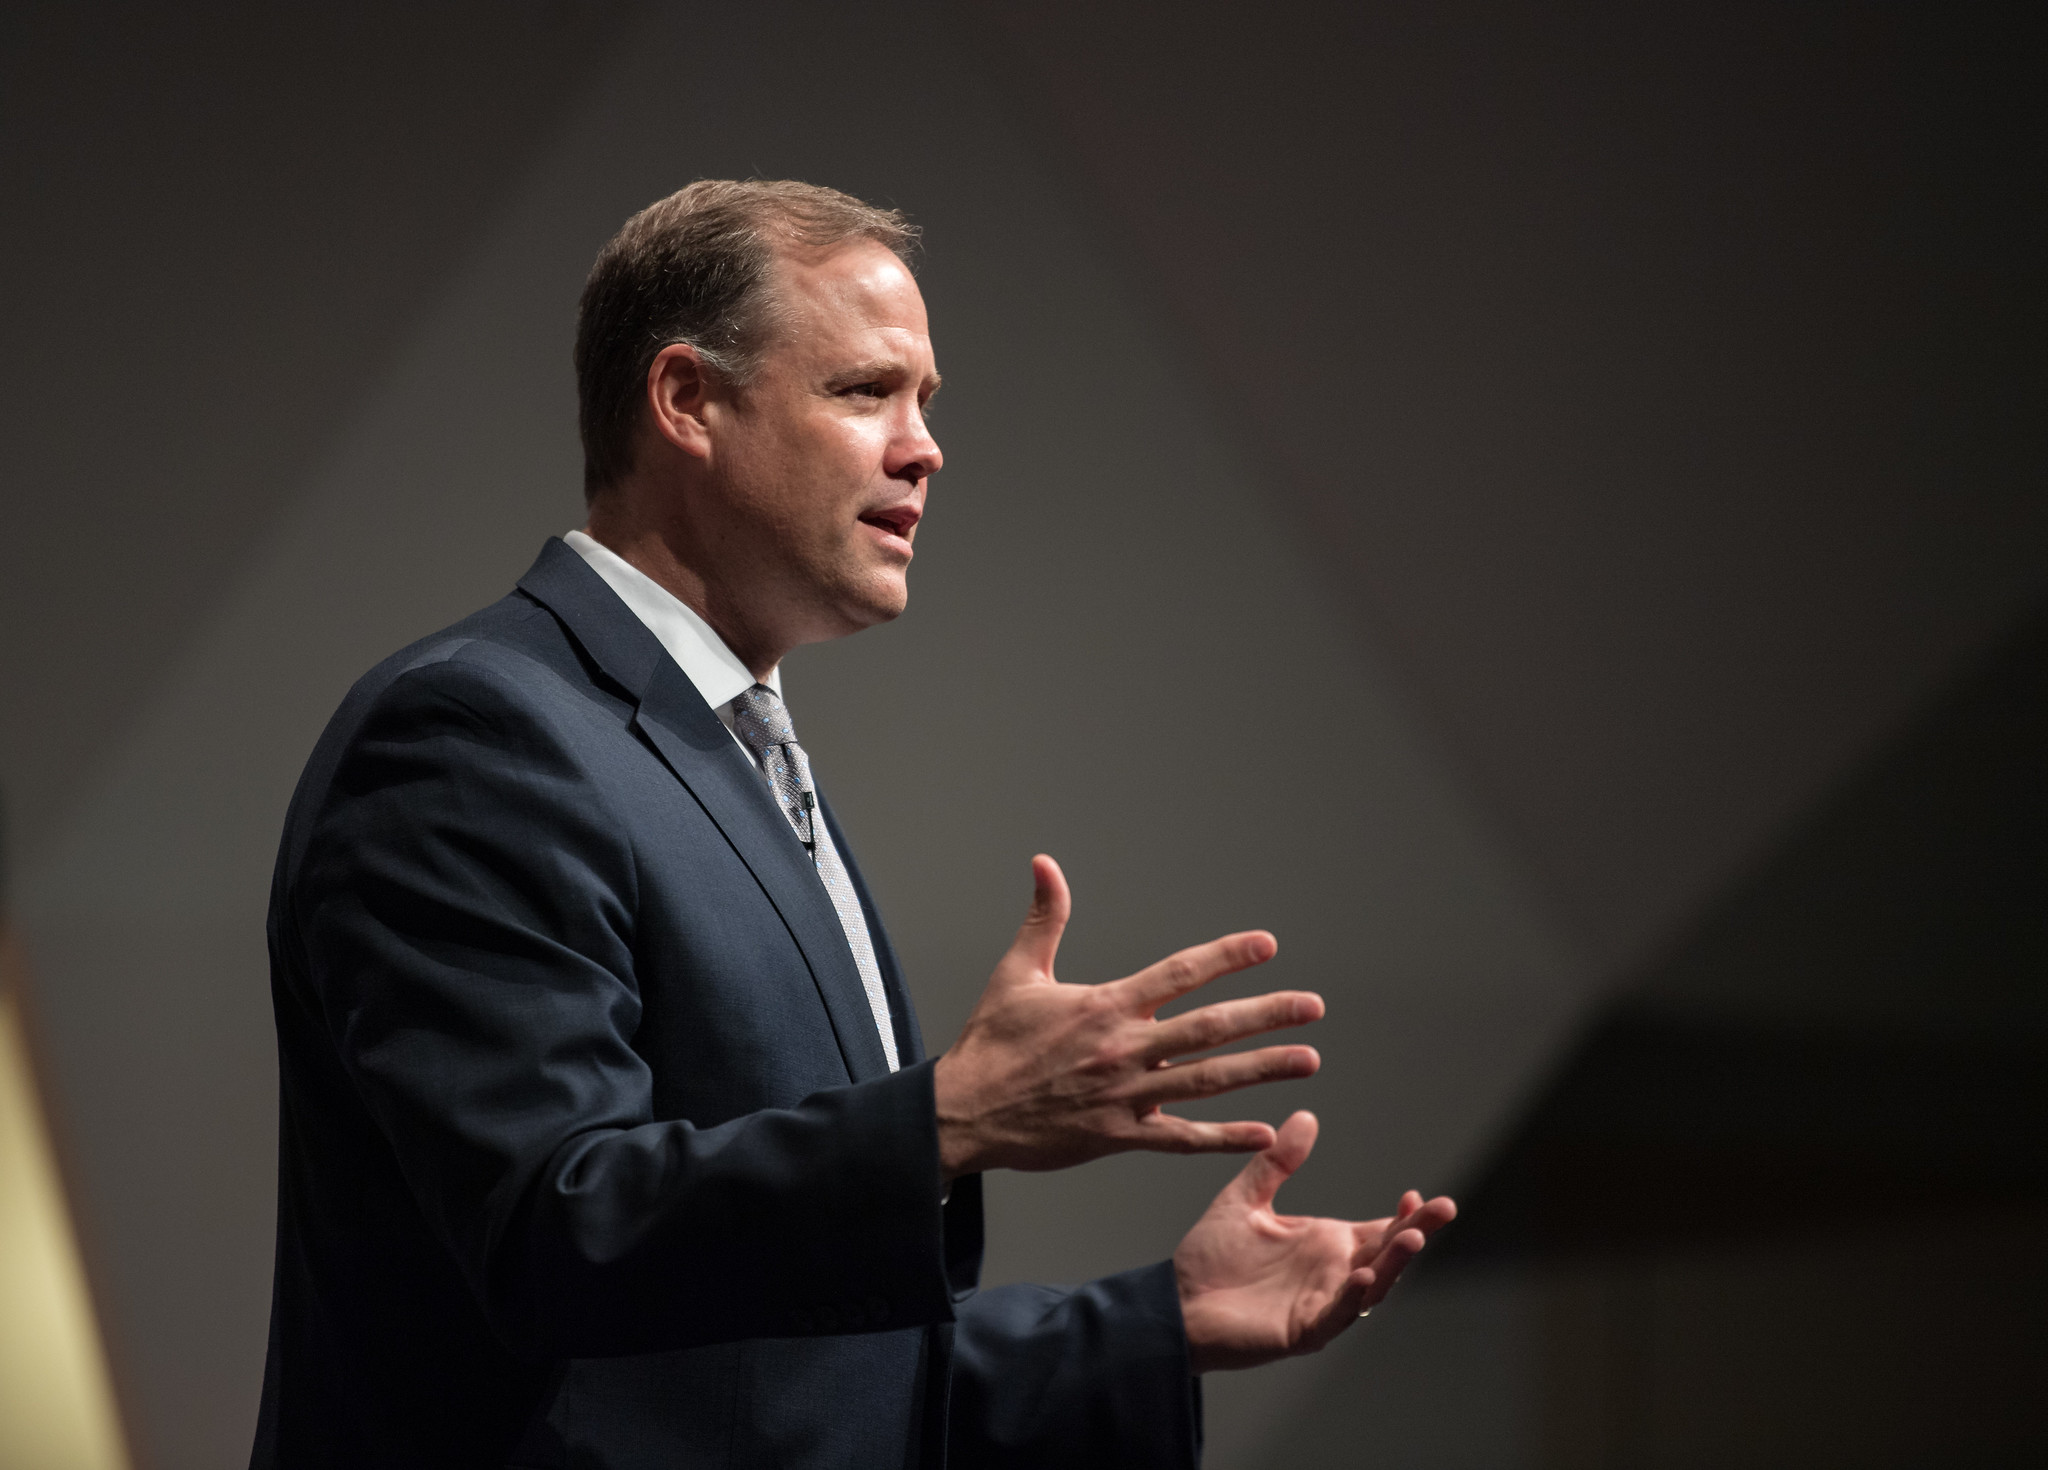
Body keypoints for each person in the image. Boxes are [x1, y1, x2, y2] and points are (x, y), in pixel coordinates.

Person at [250, 179, 1455, 1469]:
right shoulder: (480, 739)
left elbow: (782, 1372)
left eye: (926, 402)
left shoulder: (736, 755)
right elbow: (558, 1238)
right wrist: (946, 1122)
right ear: (686, 402)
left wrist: (1156, 1324)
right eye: (867, 391)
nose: (924, 446)